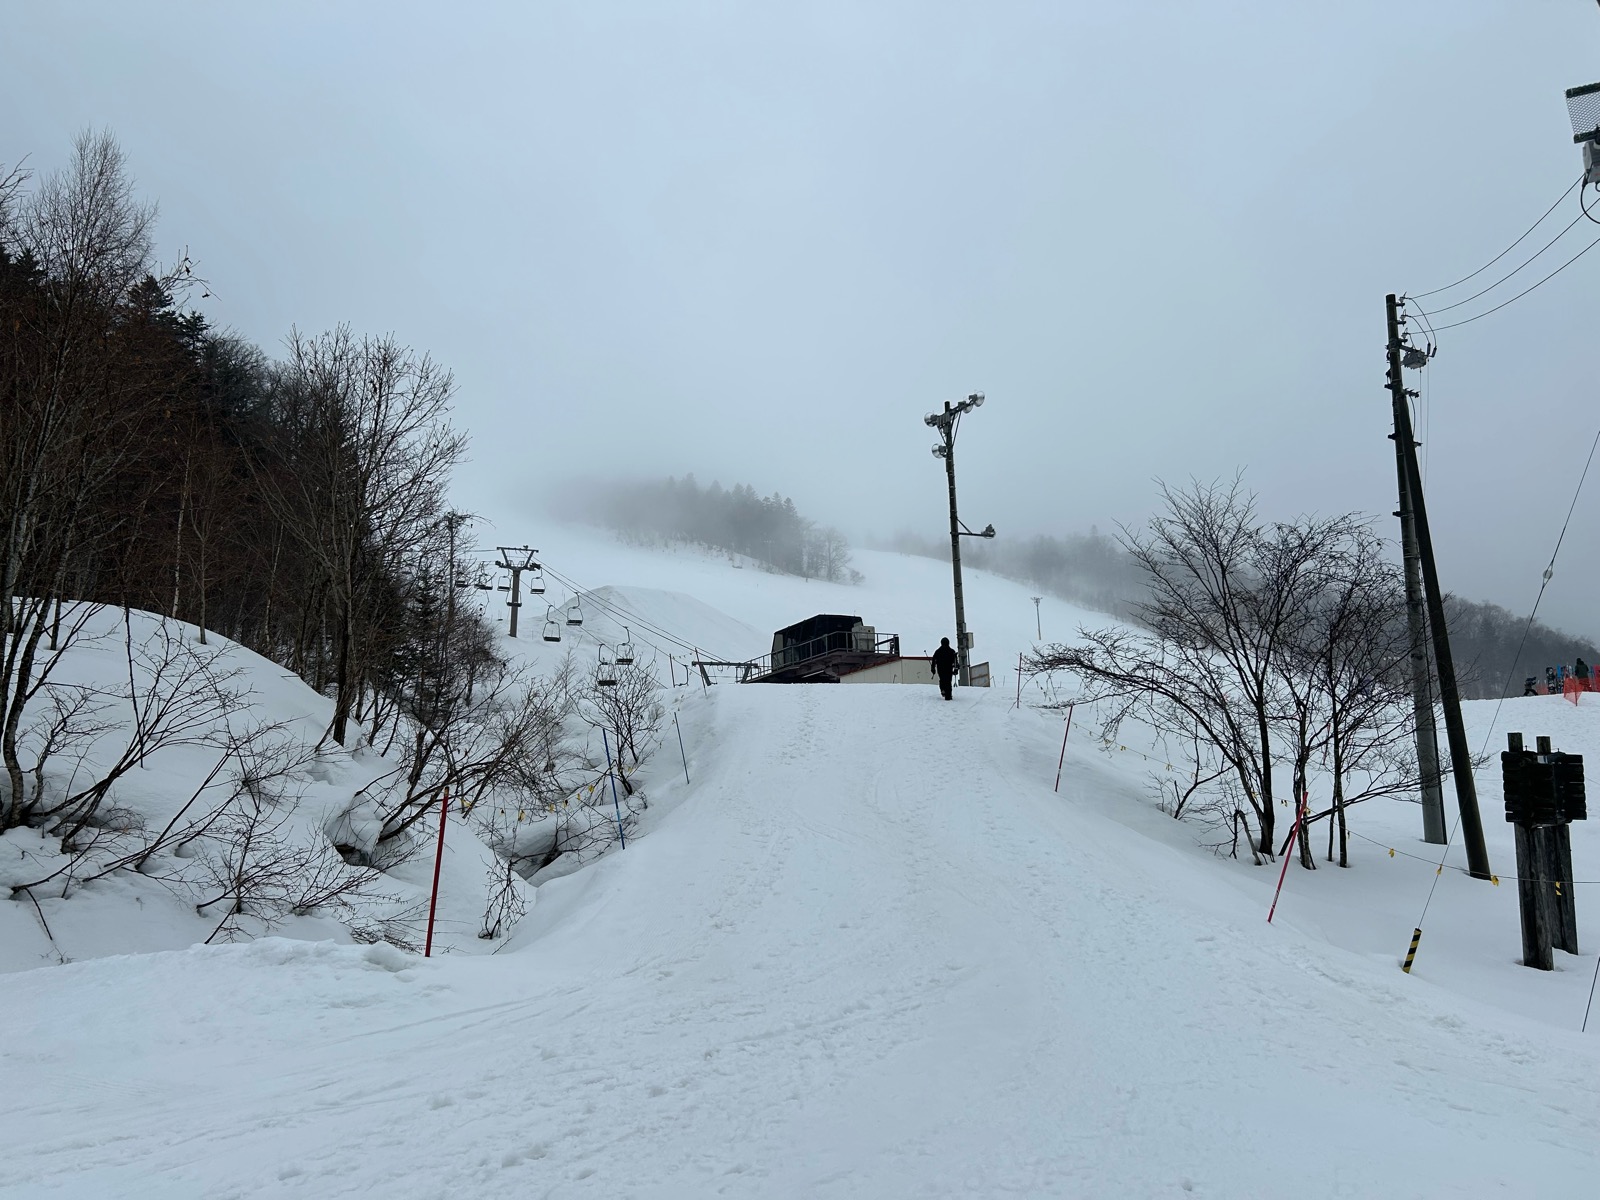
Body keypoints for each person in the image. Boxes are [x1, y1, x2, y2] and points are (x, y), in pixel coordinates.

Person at [931, 636, 958, 701]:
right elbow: (955, 662)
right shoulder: (952, 651)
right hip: (949, 669)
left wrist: (933, 668)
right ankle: (948, 695)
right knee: (948, 681)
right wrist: (956, 669)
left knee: (942, 679)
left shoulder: (938, 651)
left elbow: (934, 660)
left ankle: (943, 690)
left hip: (940, 668)